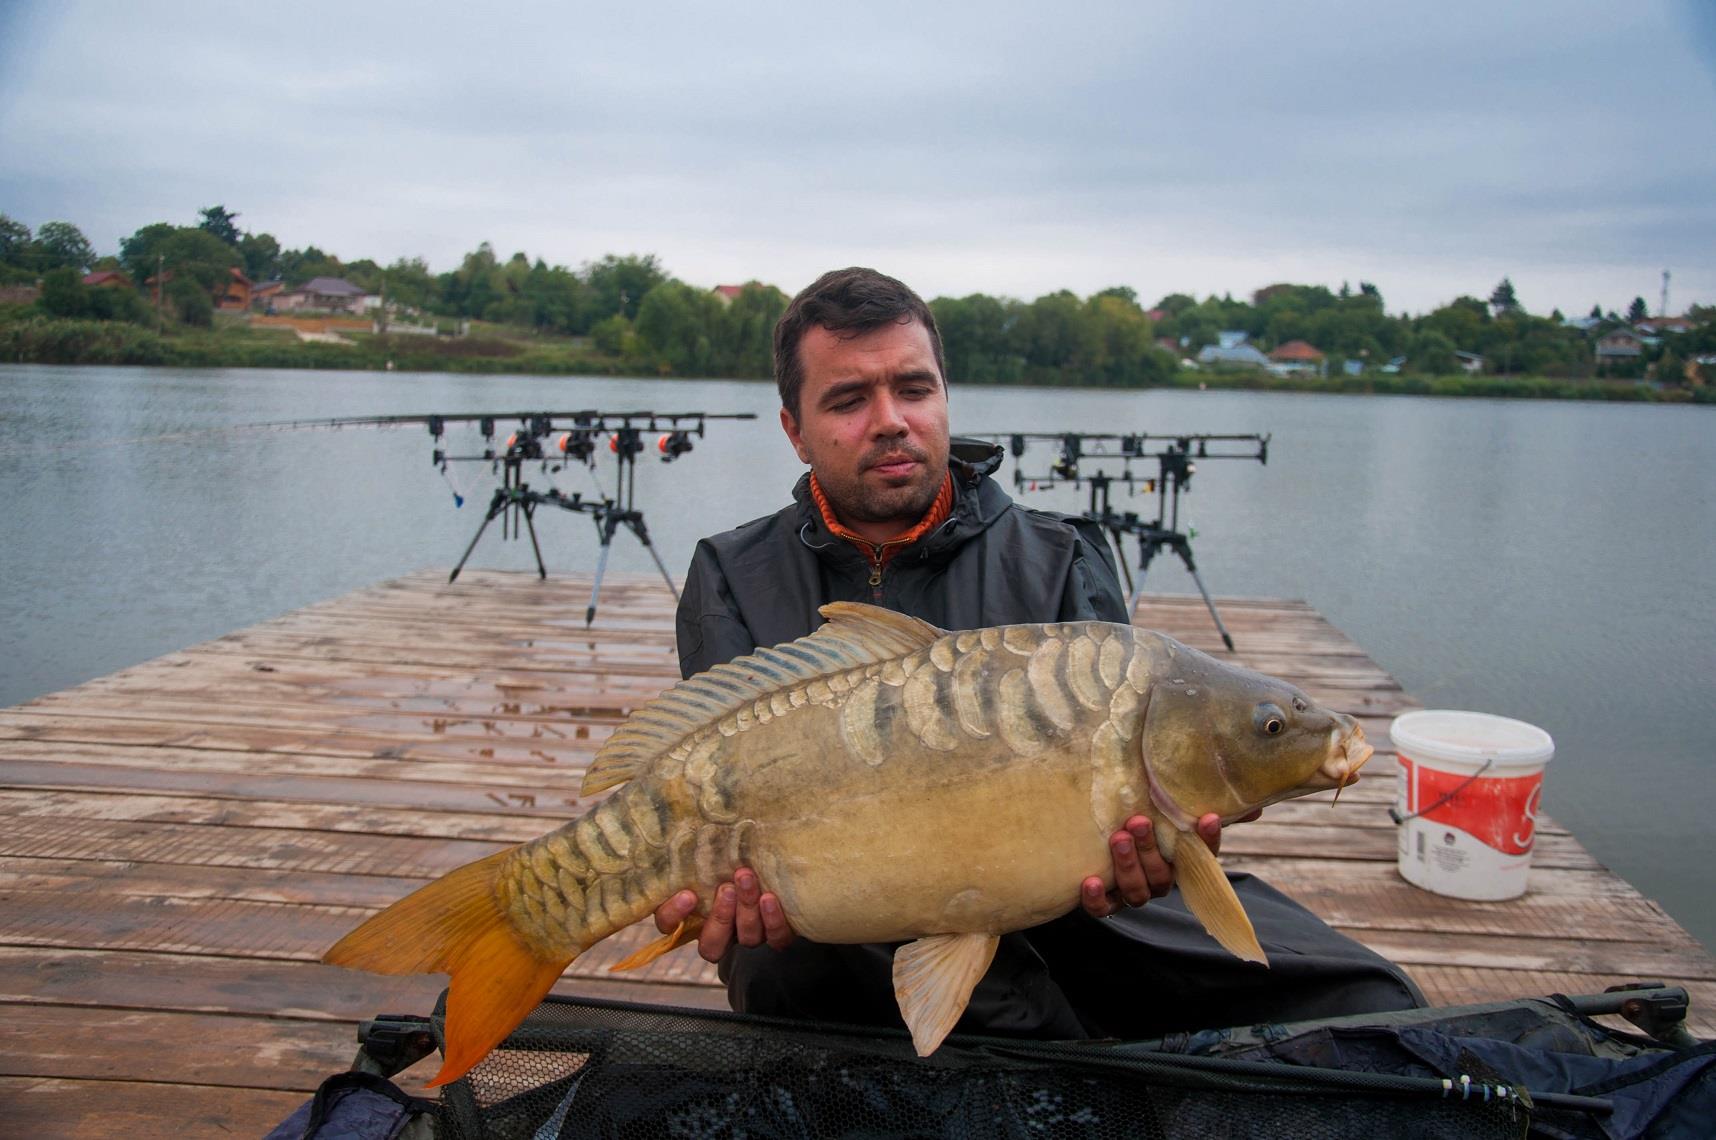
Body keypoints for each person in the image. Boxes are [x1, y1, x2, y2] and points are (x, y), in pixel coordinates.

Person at [653, 266, 1422, 1040]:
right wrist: (720, 895)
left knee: (1361, 1002)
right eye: (849, 400)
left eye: (914, 390)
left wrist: (1140, 862)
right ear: (794, 429)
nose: (891, 420)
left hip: (1054, 915)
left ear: (945, 399)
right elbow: (708, 790)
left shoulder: (1061, 556)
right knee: (786, 954)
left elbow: (1125, 823)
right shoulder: (732, 575)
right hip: (827, 917)